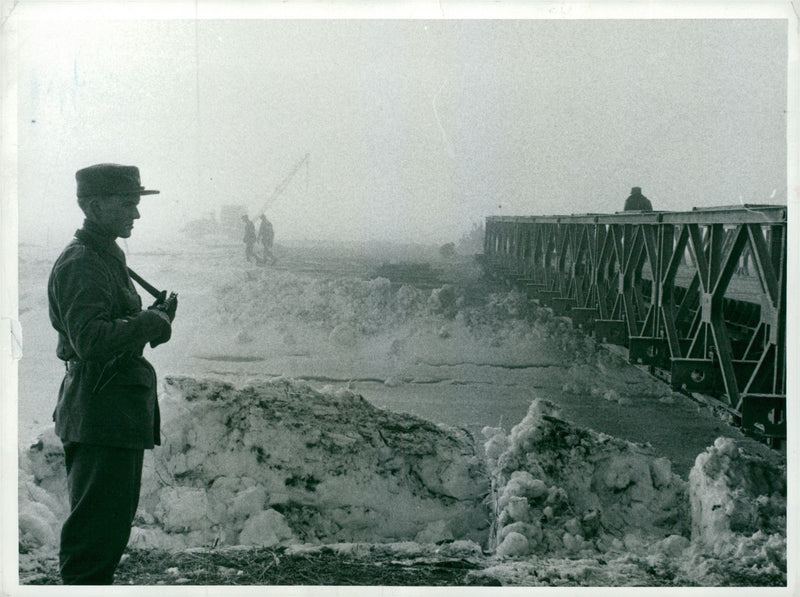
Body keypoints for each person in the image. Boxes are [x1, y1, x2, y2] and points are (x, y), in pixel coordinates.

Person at [48, 163, 177, 584]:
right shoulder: (82, 262)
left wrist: (147, 320)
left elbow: (109, 326)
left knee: (107, 532)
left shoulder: (104, 255)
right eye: (127, 204)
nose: (136, 214)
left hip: (110, 412)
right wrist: (151, 323)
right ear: (94, 205)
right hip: (100, 412)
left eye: (136, 204)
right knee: (94, 539)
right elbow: (90, 340)